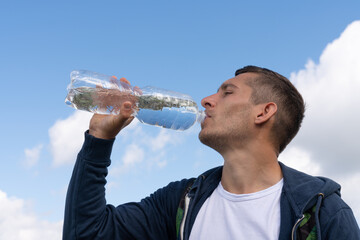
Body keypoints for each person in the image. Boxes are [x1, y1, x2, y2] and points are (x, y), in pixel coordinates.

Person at [63, 66, 360, 240]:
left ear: (264, 112)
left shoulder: (324, 214)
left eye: (227, 92)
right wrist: (99, 139)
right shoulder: (181, 202)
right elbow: (87, 234)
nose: (206, 100)